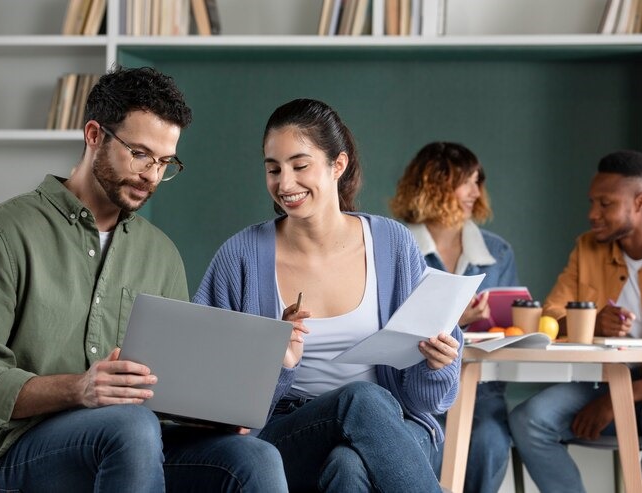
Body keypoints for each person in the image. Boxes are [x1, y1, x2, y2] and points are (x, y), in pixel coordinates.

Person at [0, 66, 288, 493]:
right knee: (131, 427)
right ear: (93, 135)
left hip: (130, 440)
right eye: (139, 154)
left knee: (254, 457)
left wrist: (208, 411)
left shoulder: (161, 254)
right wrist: (79, 388)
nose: (152, 176)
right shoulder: (4, 231)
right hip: (13, 448)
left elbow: (166, 390)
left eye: (165, 162)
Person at [192, 98, 463, 492]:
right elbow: (209, 394)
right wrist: (277, 361)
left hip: (390, 427)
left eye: (300, 166)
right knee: (360, 400)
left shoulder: (392, 244)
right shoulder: (241, 256)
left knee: (348, 465)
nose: (285, 184)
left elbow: (426, 403)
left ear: (339, 164)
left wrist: (436, 365)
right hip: (282, 435)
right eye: (273, 169)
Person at [508, 150, 642, 493]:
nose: (592, 214)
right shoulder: (586, 248)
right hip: (605, 379)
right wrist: (591, 324)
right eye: (592, 202)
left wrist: (619, 399)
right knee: (529, 420)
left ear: (641, 201)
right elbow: (550, 319)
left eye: (605, 204)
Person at [389, 141, 519, 493]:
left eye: (479, 182)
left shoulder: (498, 251)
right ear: (434, 184)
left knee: (490, 443)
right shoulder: (395, 246)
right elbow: (389, 324)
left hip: (482, 393)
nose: (476, 193)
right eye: (467, 182)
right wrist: (454, 321)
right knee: (417, 446)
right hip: (414, 391)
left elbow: (512, 326)